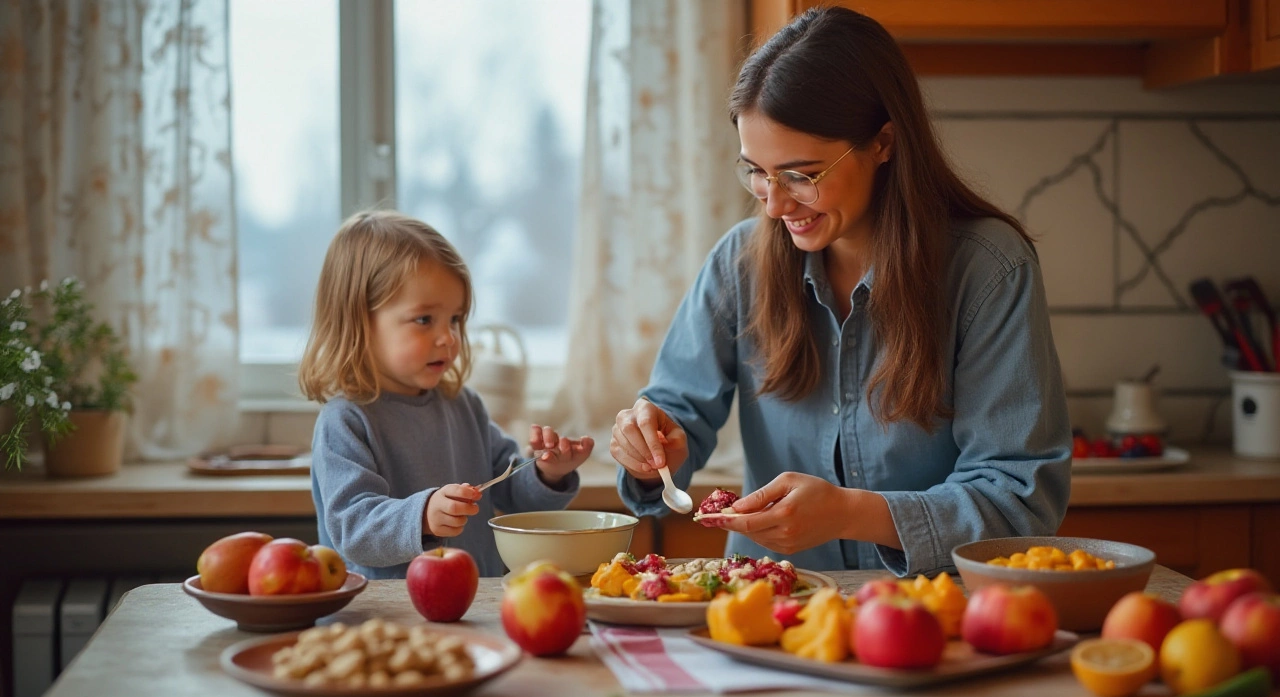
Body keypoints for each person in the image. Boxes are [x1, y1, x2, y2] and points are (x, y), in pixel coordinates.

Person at [609, 6, 1071, 576]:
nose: (773, 205)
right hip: (760, 607)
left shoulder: (988, 270)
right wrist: (653, 448)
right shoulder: (738, 262)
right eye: (756, 170)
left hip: (928, 616)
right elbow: (675, 415)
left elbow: (1018, 500)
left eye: (802, 174)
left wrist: (853, 514)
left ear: (883, 143)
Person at [300, 210, 594, 579]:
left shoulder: (463, 406)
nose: (449, 338)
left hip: (477, 609)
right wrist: (423, 515)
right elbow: (353, 529)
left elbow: (512, 494)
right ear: (360, 322)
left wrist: (548, 473)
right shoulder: (345, 421)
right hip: (388, 619)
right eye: (425, 320)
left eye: (455, 319)